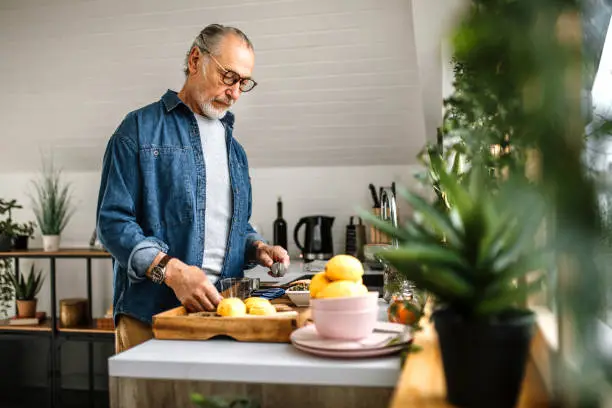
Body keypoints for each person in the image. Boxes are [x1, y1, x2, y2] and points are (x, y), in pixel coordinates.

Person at [96, 24, 290, 354]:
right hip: (150, 317)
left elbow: (230, 227)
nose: (235, 92)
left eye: (244, 82)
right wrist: (172, 272)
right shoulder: (138, 130)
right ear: (195, 59)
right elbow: (113, 224)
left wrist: (255, 247)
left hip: (223, 315)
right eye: (229, 76)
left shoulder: (235, 151)